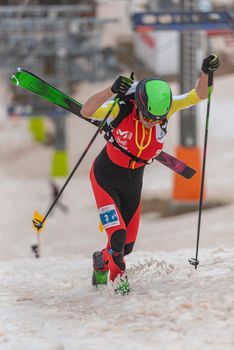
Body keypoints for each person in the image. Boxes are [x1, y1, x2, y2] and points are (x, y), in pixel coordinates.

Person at [80, 54, 219, 292]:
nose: (151, 124)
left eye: (158, 120)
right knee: (117, 239)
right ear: (140, 106)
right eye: (146, 118)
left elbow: (200, 95)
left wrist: (206, 72)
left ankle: (101, 261)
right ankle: (118, 291)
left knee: (127, 246)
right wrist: (110, 91)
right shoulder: (121, 110)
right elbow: (86, 111)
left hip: (134, 181)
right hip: (105, 179)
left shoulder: (167, 107)